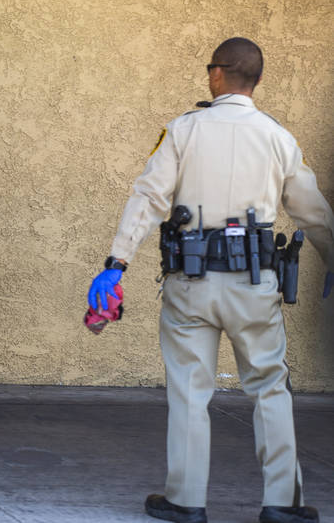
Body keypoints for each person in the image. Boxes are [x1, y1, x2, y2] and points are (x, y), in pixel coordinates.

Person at [87, 38, 334, 523]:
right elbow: (313, 211)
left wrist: (116, 263)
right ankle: (282, 504)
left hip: (191, 283)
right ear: (256, 80)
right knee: (269, 388)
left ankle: (186, 500)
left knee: (189, 390)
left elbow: (148, 199)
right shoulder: (277, 137)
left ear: (217, 75)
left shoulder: (183, 130)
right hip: (254, 284)